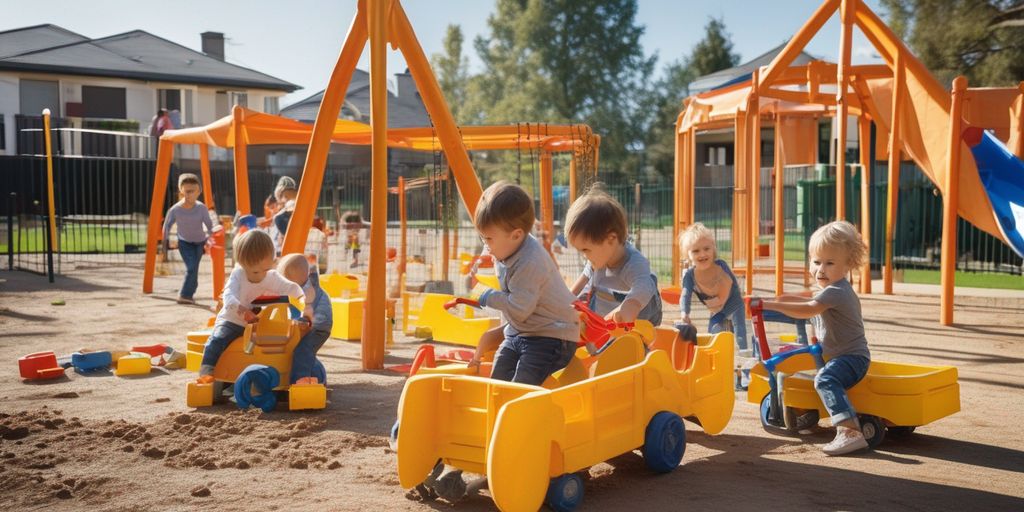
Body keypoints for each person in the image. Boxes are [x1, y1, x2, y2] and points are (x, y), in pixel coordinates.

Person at [759, 220, 871, 456]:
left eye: (830, 263)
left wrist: (768, 304)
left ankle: (850, 432)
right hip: (839, 357)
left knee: (824, 379)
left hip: (851, 359)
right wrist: (773, 301)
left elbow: (809, 308)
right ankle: (814, 414)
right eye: (816, 261)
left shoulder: (837, 291)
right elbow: (802, 301)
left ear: (848, 265)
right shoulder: (828, 291)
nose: (821, 269)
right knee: (818, 373)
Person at [465, 181, 579, 386]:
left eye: (489, 239)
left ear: (516, 234)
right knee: (497, 382)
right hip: (520, 333)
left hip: (552, 335)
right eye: (483, 238)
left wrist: (484, 294)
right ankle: (497, 414)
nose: (486, 246)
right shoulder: (507, 246)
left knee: (520, 386)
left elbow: (519, 309)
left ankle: (521, 415)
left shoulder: (530, 263)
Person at [196, 230, 313, 383]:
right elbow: (228, 296)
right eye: (255, 271)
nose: (260, 275)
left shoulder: (270, 276)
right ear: (242, 264)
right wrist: (241, 309)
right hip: (232, 321)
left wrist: (305, 302)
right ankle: (206, 371)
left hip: (256, 323)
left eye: (265, 269)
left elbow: (292, 288)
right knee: (217, 340)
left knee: (272, 345)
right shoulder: (238, 275)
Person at [564, 189, 662, 328]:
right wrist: (566, 301)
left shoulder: (633, 262)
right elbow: (583, 279)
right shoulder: (598, 258)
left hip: (644, 310)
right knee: (592, 292)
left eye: (586, 250)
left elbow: (643, 286)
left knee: (645, 289)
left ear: (611, 239)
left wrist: (630, 305)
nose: (584, 256)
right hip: (611, 303)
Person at [678, 223, 749, 353]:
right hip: (717, 309)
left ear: (713, 249)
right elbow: (685, 294)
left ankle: (746, 366)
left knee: (740, 335)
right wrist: (684, 313)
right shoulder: (689, 276)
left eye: (707, 249)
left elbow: (728, 287)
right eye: (696, 251)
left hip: (734, 304)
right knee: (712, 333)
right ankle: (716, 361)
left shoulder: (720, 266)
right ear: (688, 255)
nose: (702, 254)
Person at [278, 253, 332, 385]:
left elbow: (308, 310)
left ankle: (300, 383)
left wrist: (302, 320)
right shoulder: (302, 286)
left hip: (318, 327)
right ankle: (312, 375)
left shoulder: (308, 290)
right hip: (312, 324)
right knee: (298, 348)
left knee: (302, 351)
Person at [162, 173, 214, 305]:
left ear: (199, 191)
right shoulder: (175, 210)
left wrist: (210, 238)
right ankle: (184, 295)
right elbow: (166, 227)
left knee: (193, 269)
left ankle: (190, 293)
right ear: (181, 190)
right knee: (191, 268)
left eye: (193, 191)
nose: (189, 194)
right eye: (187, 191)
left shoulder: (201, 208)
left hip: (199, 242)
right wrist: (165, 245)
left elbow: (209, 225)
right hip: (184, 242)